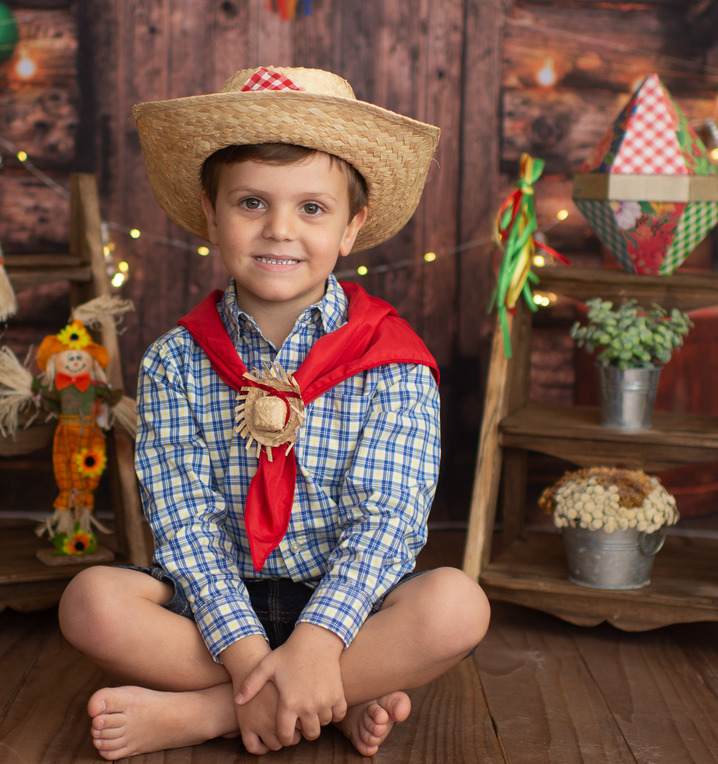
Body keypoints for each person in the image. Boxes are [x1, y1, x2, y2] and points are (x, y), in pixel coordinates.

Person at [59, 66, 491, 760]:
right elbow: (182, 524)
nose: (279, 230)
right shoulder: (175, 361)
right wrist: (241, 645)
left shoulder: (394, 362)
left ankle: (213, 714)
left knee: (458, 606)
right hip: (216, 609)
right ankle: (326, 699)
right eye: (252, 202)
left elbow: (387, 523)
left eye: (312, 209)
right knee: (90, 603)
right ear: (211, 212)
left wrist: (320, 639)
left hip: (349, 606)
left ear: (352, 226)